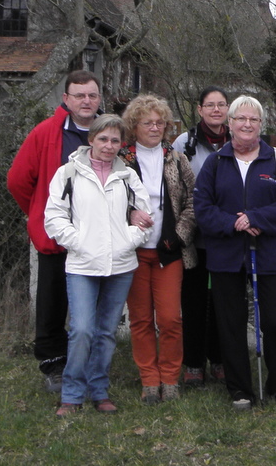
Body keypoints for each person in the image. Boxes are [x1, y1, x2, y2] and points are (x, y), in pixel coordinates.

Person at [193, 95, 276, 410]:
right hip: (226, 255)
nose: (247, 124)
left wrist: (257, 218)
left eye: (253, 119)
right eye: (240, 118)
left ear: (261, 124)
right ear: (230, 123)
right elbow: (202, 208)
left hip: (269, 253)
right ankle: (240, 389)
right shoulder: (216, 162)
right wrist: (234, 223)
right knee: (231, 323)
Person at [44, 115, 152, 416]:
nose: (108, 145)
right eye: (103, 139)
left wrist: (125, 240)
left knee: (106, 332)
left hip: (120, 265)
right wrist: (79, 242)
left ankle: (99, 391)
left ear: (121, 145)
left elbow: (145, 218)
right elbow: (54, 217)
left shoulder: (128, 176)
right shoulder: (68, 174)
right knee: (81, 329)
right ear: (91, 139)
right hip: (81, 265)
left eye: (115, 140)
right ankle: (71, 395)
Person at [8, 70, 102, 393]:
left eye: (91, 95)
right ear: (66, 99)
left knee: (92, 306)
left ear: (99, 98)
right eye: (79, 95)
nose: (86, 101)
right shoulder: (46, 133)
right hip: (57, 239)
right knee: (52, 303)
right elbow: (18, 180)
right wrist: (40, 215)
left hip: (97, 239)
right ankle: (54, 365)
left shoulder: (110, 132)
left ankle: (91, 364)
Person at [120, 95, 198, 404]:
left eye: (159, 122)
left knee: (169, 319)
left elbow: (193, 200)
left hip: (169, 251)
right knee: (140, 319)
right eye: (147, 123)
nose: (154, 128)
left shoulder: (176, 158)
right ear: (134, 126)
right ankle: (149, 381)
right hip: (134, 251)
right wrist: (129, 216)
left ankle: (170, 378)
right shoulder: (122, 159)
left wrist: (180, 235)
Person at [171, 86, 229, 388]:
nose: (216, 110)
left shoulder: (238, 141)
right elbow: (176, 185)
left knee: (223, 300)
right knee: (193, 300)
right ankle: (193, 362)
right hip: (194, 236)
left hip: (227, 236)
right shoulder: (185, 142)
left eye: (221, 105)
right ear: (199, 109)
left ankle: (219, 358)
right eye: (210, 105)